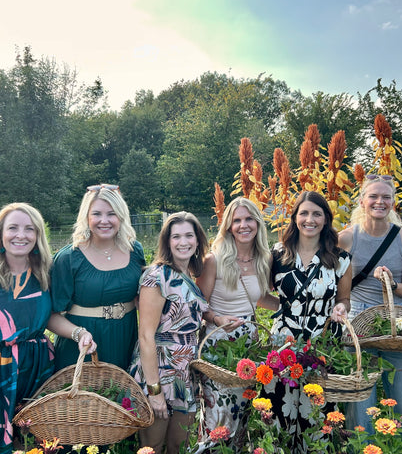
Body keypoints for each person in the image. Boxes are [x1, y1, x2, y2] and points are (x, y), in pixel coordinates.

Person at [0, 203, 96, 454]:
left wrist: (79, 333)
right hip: (2, 367)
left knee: (35, 439)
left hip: (37, 366)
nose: (21, 235)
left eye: (29, 229)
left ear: (38, 235)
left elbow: (50, 317)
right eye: (12, 228)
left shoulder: (44, 272)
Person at [338, 174, 402, 451]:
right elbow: (343, 293)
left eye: (386, 197)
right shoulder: (347, 238)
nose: (379, 202)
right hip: (359, 323)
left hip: (398, 325)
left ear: (393, 203)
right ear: (362, 201)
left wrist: (393, 284)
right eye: (373, 196)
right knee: (360, 411)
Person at [265, 191, 351, 454]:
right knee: (280, 409)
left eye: (317, 214)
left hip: (323, 343)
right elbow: (261, 293)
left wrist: (340, 307)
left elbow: (344, 298)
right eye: (304, 213)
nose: (309, 219)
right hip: (283, 344)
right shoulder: (277, 254)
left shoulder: (340, 258)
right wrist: (284, 308)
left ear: (326, 219)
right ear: (295, 218)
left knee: (317, 413)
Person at [195, 197, 279, 452]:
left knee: (241, 413)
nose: (244, 225)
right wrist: (217, 318)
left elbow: (259, 297)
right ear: (229, 226)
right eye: (237, 220)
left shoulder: (264, 258)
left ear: (257, 223)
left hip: (248, 347)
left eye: (249, 219)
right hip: (219, 345)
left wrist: (292, 307)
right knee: (218, 416)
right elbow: (200, 305)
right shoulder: (215, 260)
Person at [129, 211, 209, 454]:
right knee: (152, 446)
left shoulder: (189, 275)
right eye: (176, 237)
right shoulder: (156, 276)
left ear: (197, 241)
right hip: (159, 371)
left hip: (184, 372)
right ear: (167, 241)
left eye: (188, 236)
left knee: (180, 446)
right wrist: (154, 391)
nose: (183, 242)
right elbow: (146, 335)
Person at [50, 184, 145, 371]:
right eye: (97, 214)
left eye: (112, 214)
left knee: (124, 398)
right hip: (83, 345)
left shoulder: (135, 251)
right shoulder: (69, 258)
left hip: (126, 339)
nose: (105, 220)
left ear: (121, 216)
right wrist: (78, 333)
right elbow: (50, 316)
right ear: (86, 217)